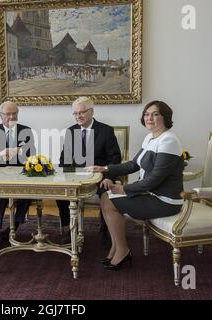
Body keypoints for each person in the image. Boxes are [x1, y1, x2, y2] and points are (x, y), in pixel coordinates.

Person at [90, 100, 184, 270]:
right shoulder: (150, 137)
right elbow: (133, 165)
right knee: (104, 196)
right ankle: (116, 246)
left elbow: (155, 179)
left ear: (165, 117)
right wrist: (105, 168)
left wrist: (124, 189)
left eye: (155, 114)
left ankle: (123, 250)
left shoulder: (169, 141)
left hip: (164, 200)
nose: (150, 118)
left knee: (111, 202)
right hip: (151, 194)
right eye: (147, 114)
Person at [57, 96, 121, 244]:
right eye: (75, 113)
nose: (78, 116)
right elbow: (64, 160)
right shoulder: (71, 131)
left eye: (82, 112)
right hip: (75, 177)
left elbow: (115, 158)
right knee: (60, 192)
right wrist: (67, 176)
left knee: (106, 193)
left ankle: (106, 229)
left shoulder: (105, 130)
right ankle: (70, 227)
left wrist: (108, 176)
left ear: (91, 111)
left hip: (100, 177)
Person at [0, 101, 36, 243]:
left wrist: (20, 152)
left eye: (14, 114)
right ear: (1, 115)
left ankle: (13, 227)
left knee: (28, 193)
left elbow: (32, 155)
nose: (11, 117)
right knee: (0, 194)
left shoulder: (26, 131)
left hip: (20, 174)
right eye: (7, 114)